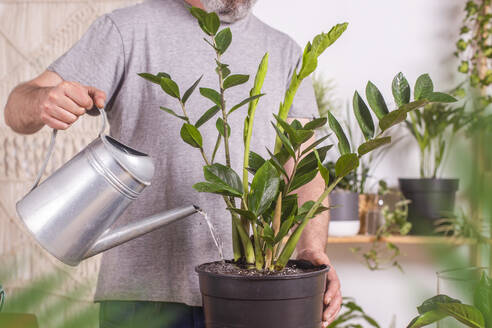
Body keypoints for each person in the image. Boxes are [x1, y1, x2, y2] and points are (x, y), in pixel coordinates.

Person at [4, 0, 342, 326]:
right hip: (141, 301)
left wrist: (311, 249)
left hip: (258, 297)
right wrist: (41, 102)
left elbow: (303, 162)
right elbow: (17, 107)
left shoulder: (286, 51)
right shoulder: (126, 30)